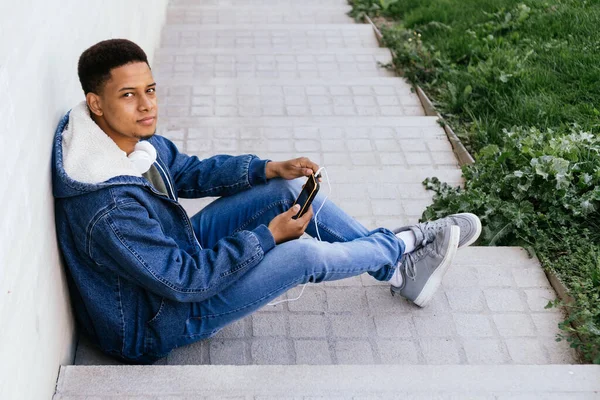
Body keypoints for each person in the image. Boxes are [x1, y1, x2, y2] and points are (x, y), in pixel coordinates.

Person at [52, 38, 481, 365]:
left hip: (170, 257)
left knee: (283, 192)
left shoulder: (123, 140)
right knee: (302, 255)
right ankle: (405, 243)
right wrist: (268, 237)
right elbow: (185, 283)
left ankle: (398, 270)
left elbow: (184, 170)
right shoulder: (108, 208)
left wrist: (265, 168)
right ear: (96, 104)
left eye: (150, 89)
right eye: (129, 95)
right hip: (152, 320)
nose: (147, 105)